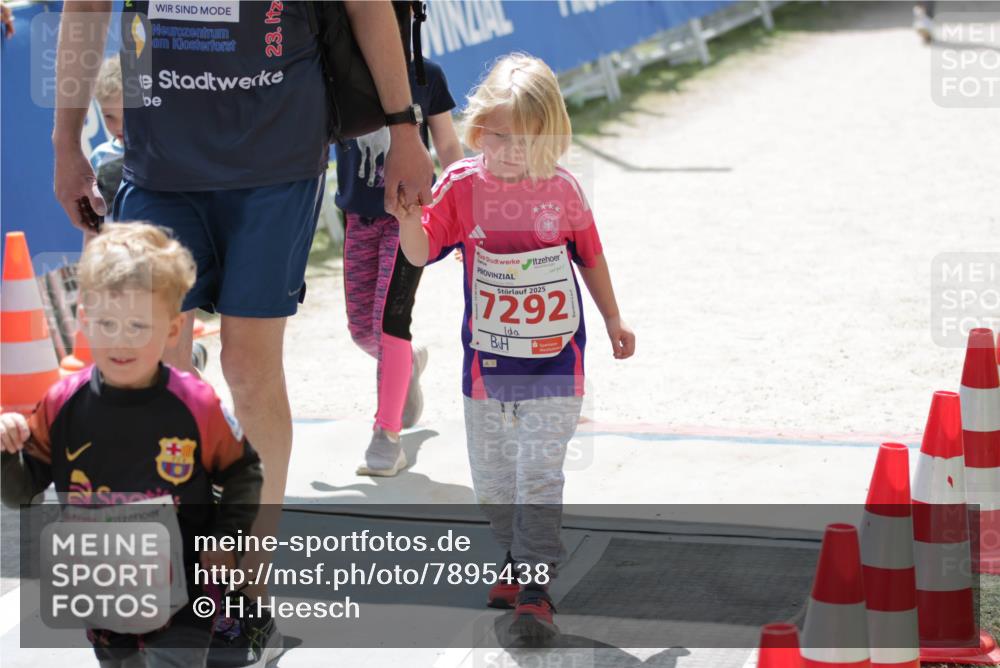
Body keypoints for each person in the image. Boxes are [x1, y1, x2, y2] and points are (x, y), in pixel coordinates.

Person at [52, 3, 435, 663]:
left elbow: (368, 7)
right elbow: (84, 8)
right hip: (158, 167)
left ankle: (247, 600)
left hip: (277, 161)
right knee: (142, 370)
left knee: (250, 369)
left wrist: (405, 129)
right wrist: (66, 143)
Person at [391, 53, 636, 640]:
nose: (510, 149)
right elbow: (422, 251)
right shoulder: (461, 186)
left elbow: (592, 256)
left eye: (526, 139)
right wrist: (406, 220)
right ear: (477, 131)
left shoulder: (563, 190)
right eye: (498, 136)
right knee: (495, 485)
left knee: (539, 473)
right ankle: (516, 553)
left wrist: (612, 318)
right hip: (489, 367)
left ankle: (535, 585)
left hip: (556, 363)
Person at [0, 222, 263, 668]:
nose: (121, 338)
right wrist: (7, 452)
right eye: (107, 323)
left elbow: (244, 473)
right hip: (103, 595)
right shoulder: (62, 404)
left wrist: (226, 540)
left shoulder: (196, 404)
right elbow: (20, 493)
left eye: (139, 325)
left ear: (174, 328)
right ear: (84, 319)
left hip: (186, 595)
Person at [335, 55, 464, 477]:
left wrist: (461, 216)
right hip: (358, 219)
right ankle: (407, 363)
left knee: (390, 321)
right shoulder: (339, 67)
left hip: (407, 218)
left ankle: (386, 436)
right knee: (360, 330)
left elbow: (446, 145)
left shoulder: (427, 75)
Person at [90, 56, 124, 208]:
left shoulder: (159, 154)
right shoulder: (99, 156)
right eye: (109, 116)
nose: (119, 126)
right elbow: (94, 216)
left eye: (127, 116)